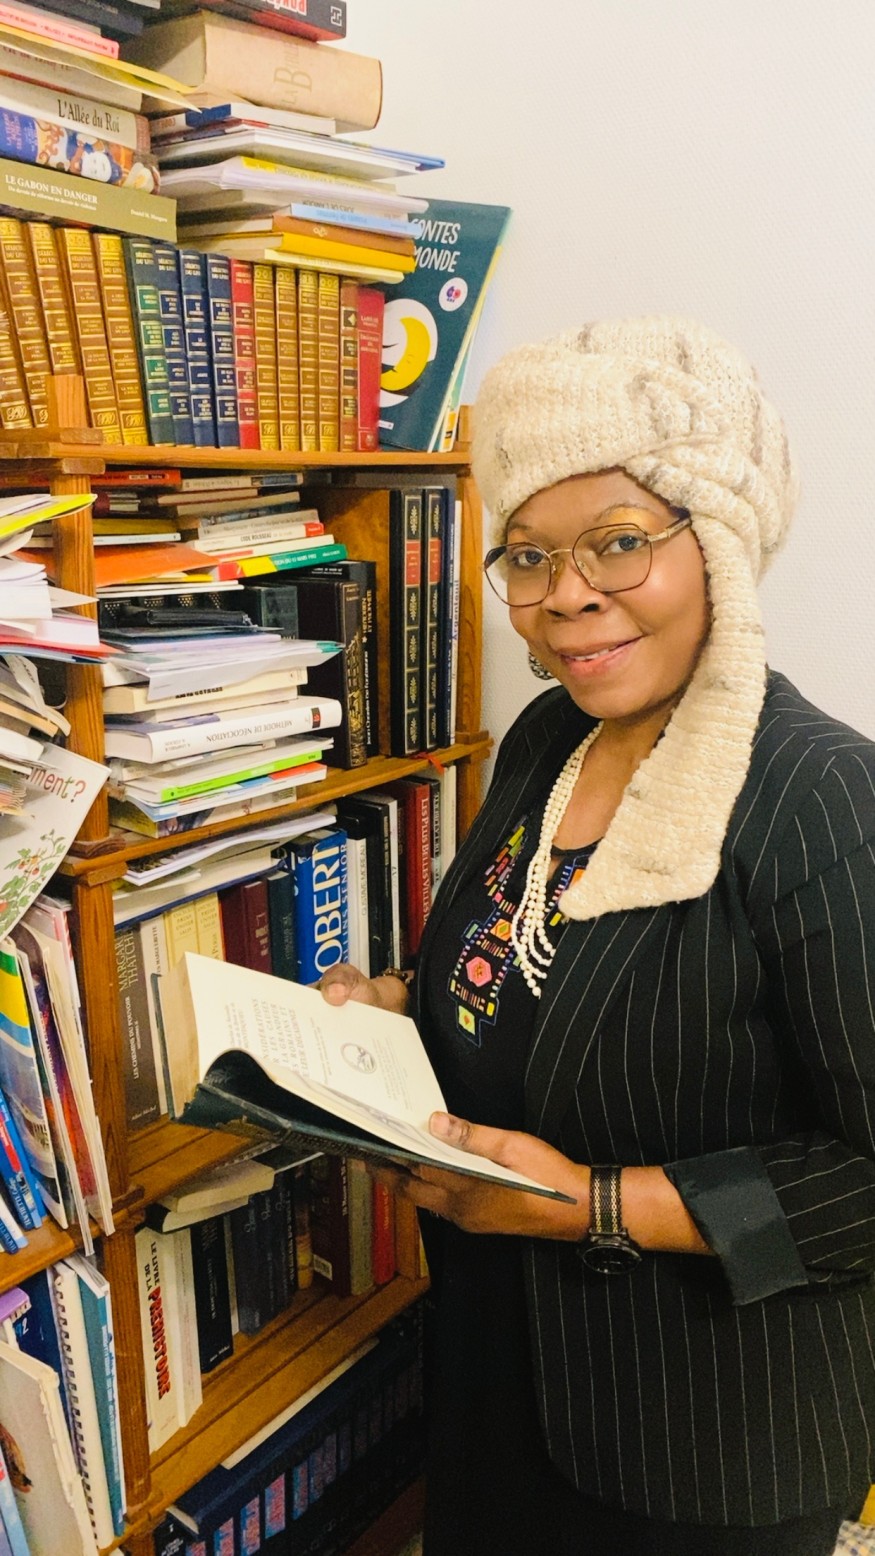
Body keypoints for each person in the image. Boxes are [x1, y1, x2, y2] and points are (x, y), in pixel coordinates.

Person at [319, 316, 875, 1556]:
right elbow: (528, 962)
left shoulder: (826, 802)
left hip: (702, 1429)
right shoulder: (547, 739)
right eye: (527, 555)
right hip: (493, 1364)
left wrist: (589, 1206)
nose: (565, 595)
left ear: (716, 542)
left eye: (618, 541)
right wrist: (402, 1002)